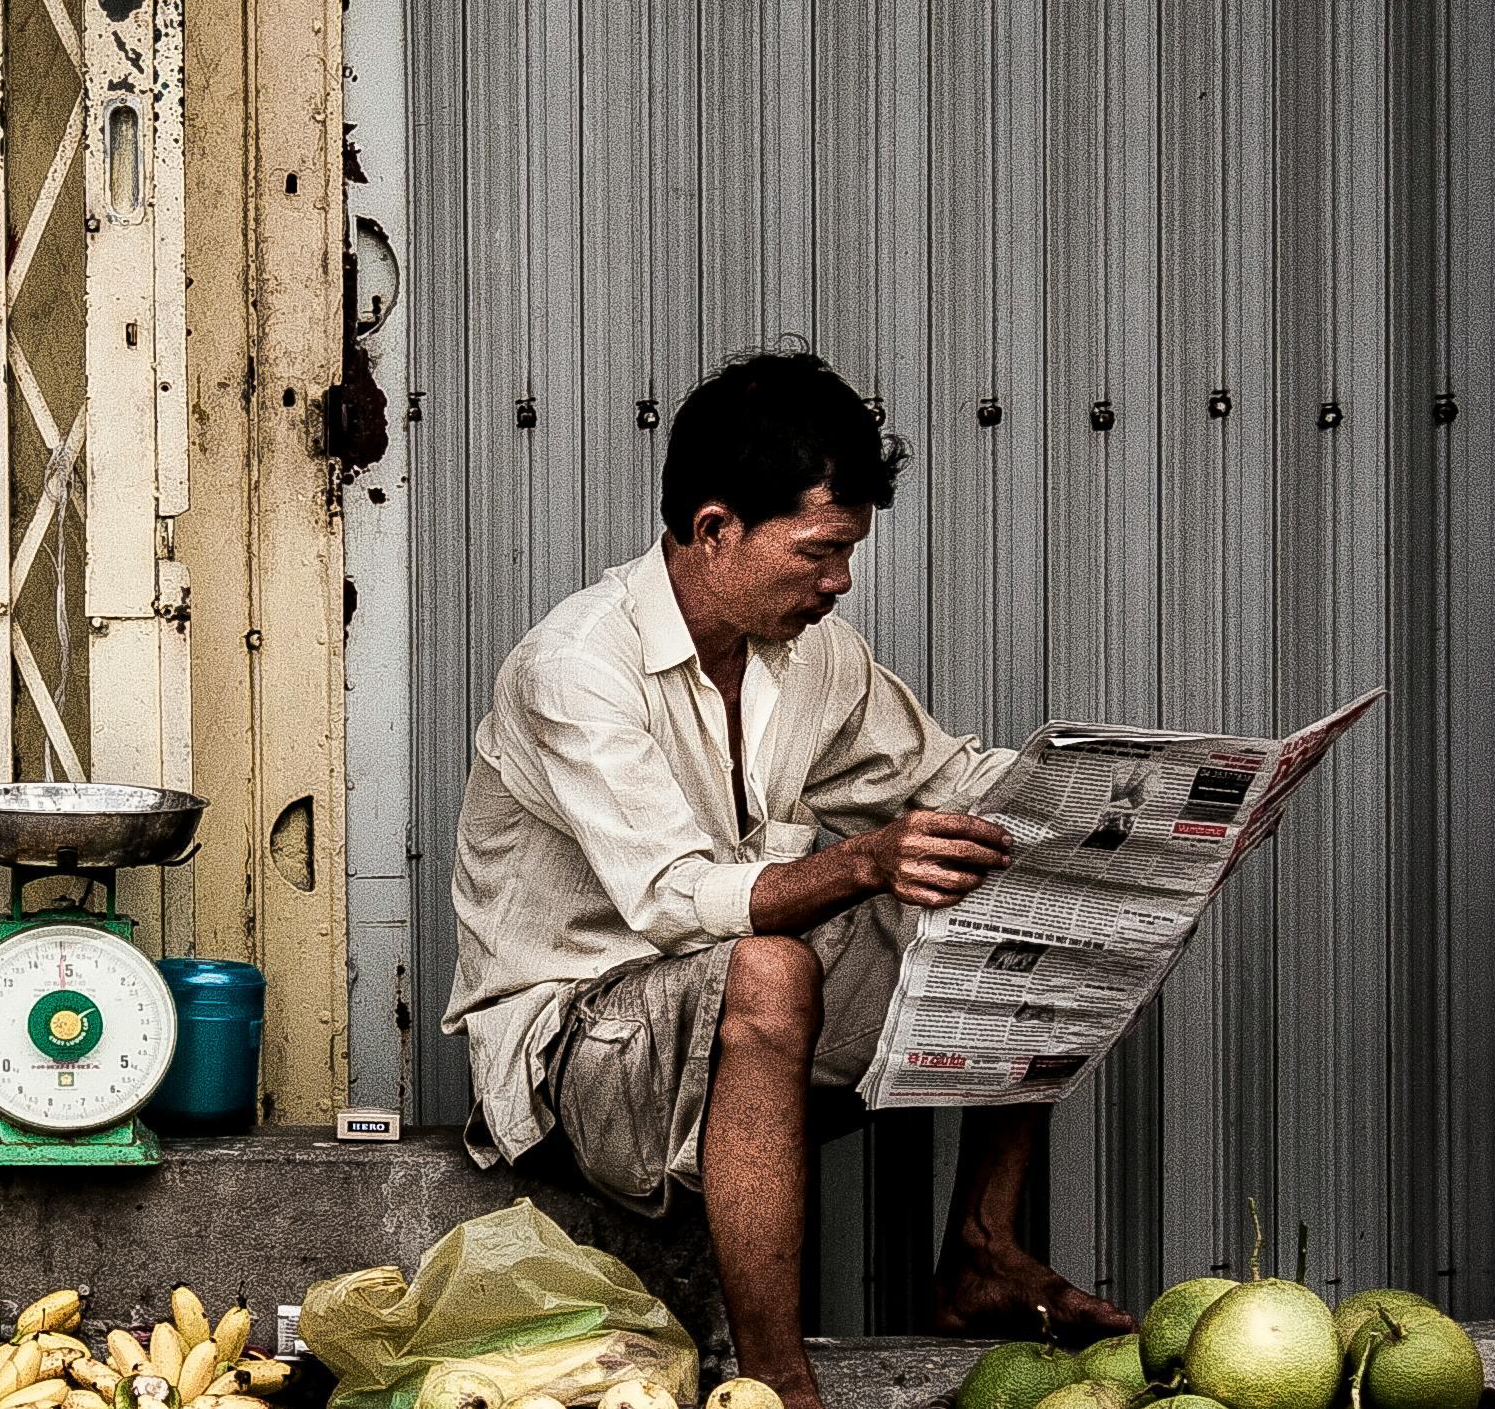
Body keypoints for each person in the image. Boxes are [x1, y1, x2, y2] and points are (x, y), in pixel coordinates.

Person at [441, 350, 1130, 1409]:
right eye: (821, 550)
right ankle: (777, 1381)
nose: (841, 580)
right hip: (577, 1054)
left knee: (1005, 878)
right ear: (715, 530)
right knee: (768, 969)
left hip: (730, 1025)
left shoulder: (816, 655)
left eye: (848, 551)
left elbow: (951, 781)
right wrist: (861, 859)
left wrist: (1135, 806)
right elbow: (676, 901)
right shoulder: (575, 666)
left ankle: (984, 1253)